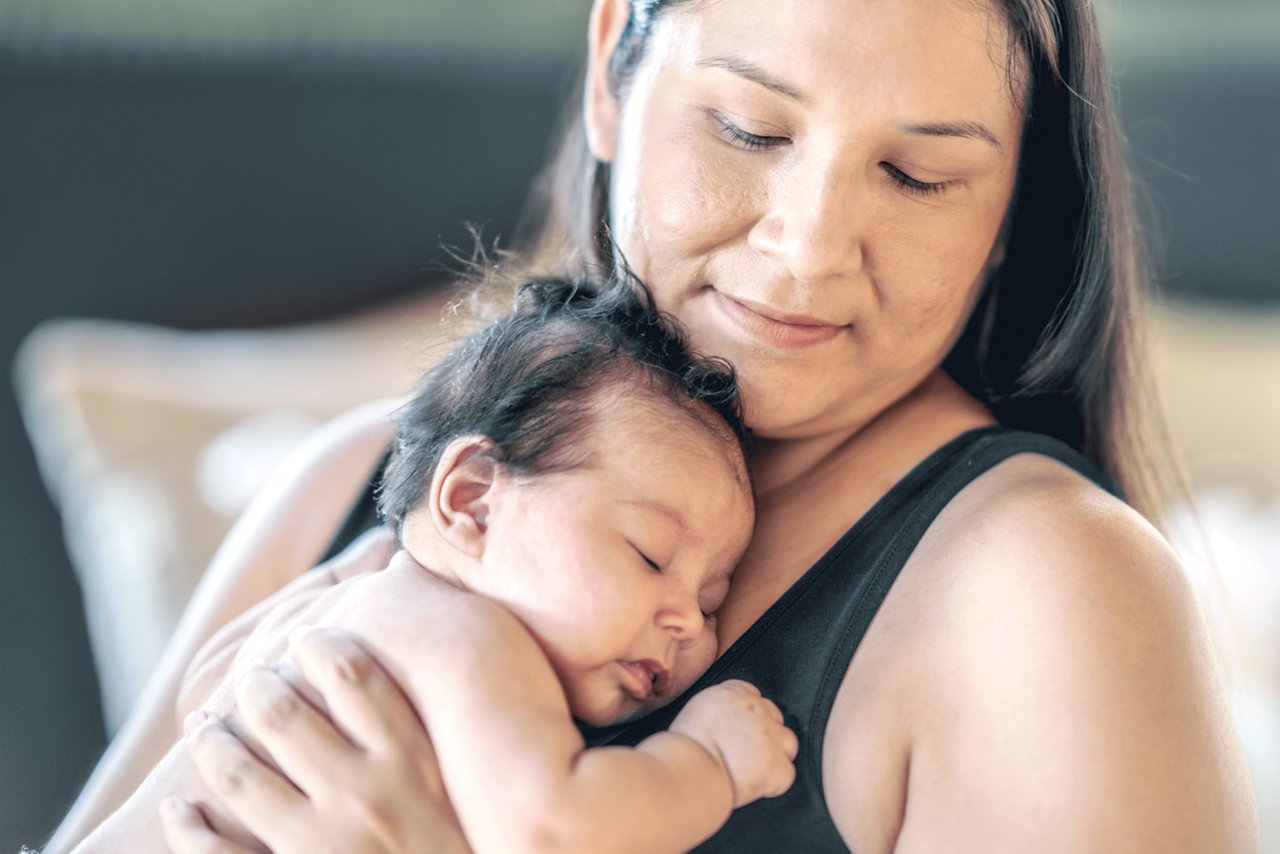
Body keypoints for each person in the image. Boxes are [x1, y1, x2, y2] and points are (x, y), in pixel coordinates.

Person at [50, 0, 1261, 851]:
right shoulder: (346, 484)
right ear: (608, 74)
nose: (805, 248)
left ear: (1009, 208)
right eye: (748, 128)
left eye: (915, 176)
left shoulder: (1044, 595)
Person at [72, 275, 799, 852]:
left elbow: (199, 692)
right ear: (474, 500)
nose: (686, 621)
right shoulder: (468, 636)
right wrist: (710, 761)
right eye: (649, 556)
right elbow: (554, 831)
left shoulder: (326, 605)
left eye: (710, 601)